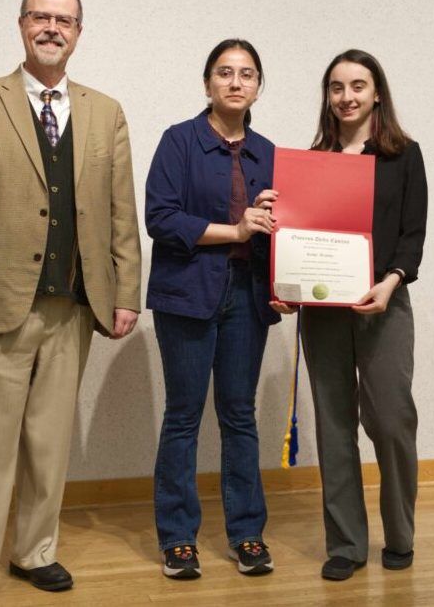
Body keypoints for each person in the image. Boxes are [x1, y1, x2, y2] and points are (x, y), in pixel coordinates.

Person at [0, 0, 141, 606]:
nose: (53, 28)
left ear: (80, 32)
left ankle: (35, 551)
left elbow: (120, 213)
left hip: (75, 303)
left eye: (65, 20)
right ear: (22, 25)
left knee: (49, 444)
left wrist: (126, 289)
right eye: (41, 17)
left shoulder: (106, 111)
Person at [271, 49, 428, 581]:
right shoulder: (311, 160)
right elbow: (298, 239)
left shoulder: (405, 155)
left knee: (389, 421)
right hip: (324, 313)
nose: (347, 96)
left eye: (358, 85)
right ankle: (345, 544)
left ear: (377, 92)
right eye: (337, 87)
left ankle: (400, 534)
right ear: (327, 96)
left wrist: (389, 284)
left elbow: (412, 236)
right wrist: (286, 285)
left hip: (384, 303)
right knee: (335, 425)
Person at [145, 39, 280, 580]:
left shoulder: (269, 152)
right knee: (182, 417)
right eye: (224, 72)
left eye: (247, 74)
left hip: (247, 297)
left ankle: (247, 533)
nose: (235, 82)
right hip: (187, 297)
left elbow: (282, 231)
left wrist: (284, 283)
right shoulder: (178, 141)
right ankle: (178, 539)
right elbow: (161, 217)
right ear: (207, 84)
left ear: (257, 87)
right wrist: (236, 230)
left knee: (239, 415)